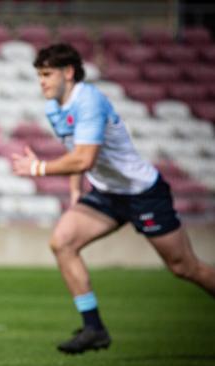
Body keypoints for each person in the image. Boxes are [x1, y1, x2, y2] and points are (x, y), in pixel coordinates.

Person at [11, 43, 215, 354]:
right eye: (39, 75)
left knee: (184, 267)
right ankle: (94, 328)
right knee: (62, 242)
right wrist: (77, 190)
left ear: (68, 72)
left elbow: (84, 158)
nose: (42, 81)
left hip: (142, 193)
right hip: (107, 193)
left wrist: (37, 168)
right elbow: (75, 152)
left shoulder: (89, 101)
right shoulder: (54, 107)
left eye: (48, 74)